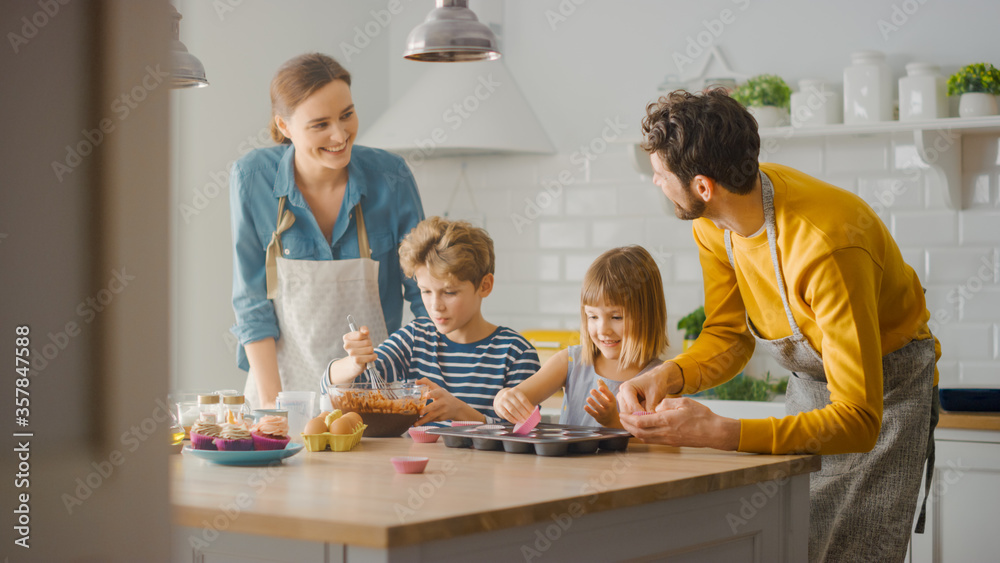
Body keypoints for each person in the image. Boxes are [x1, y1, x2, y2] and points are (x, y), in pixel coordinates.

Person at [617, 88, 940, 563]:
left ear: (703, 185)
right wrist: (668, 375)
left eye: (660, 174)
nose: (657, 183)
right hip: (812, 386)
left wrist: (724, 432)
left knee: (855, 552)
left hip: (887, 396)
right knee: (794, 544)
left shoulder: (826, 247)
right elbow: (728, 337)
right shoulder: (713, 223)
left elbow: (859, 419)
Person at [229, 53, 427, 410]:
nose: (340, 135)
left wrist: (432, 390)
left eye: (347, 115)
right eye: (320, 124)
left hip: (376, 396)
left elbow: (424, 296)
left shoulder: (391, 176)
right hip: (283, 393)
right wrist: (275, 411)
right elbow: (251, 303)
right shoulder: (251, 178)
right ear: (284, 126)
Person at [322, 217, 540, 425]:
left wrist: (462, 413)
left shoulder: (515, 354)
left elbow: (525, 436)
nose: (435, 305)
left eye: (449, 292)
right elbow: (331, 387)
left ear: (485, 285)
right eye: (426, 291)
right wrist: (353, 364)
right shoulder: (415, 339)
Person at [494, 246, 669, 429]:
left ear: (647, 315)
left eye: (616, 317)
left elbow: (664, 448)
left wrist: (614, 423)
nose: (603, 330)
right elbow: (519, 396)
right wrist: (503, 399)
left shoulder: (661, 377)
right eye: (592, 317)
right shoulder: (570, 361)